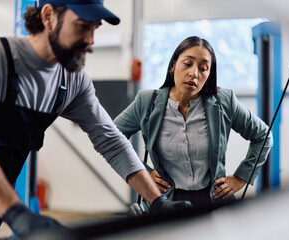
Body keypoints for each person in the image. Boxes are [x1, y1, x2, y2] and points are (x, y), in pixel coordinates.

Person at [0, 0, 190, 238]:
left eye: (95, 28)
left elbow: (112, 141)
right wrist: (19, 215)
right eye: (82, 26)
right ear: (48, 17)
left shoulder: (72, 81)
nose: (91, 40)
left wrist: (158, 202)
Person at [114, 36, 273, 208]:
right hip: (165, 200)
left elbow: (263, 137)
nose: (194, 73)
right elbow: (112, 138)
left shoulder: (225, 101)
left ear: (209, 74)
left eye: (203, 68)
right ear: (173, 66)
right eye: (188, 64)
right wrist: (143, 173)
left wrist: (241, 177)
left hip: (213, 200)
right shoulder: (146, 102)